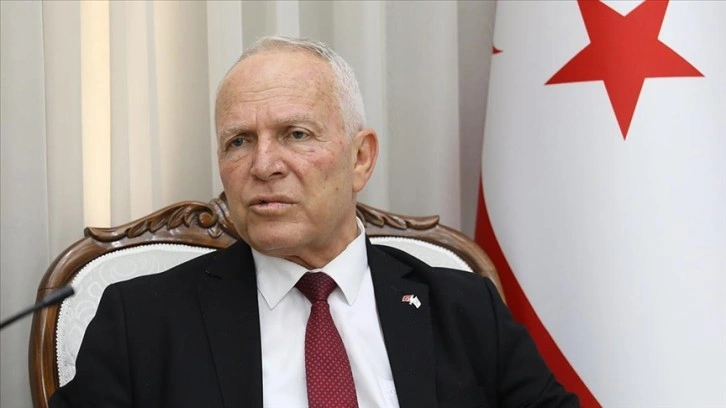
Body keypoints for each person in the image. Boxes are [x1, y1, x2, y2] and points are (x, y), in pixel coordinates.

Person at [49, 36, 579, 408]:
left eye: (296, 134)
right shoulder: (142, 321)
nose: (263, 165)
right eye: (239, 141)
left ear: (360, 159)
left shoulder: (463, 309)